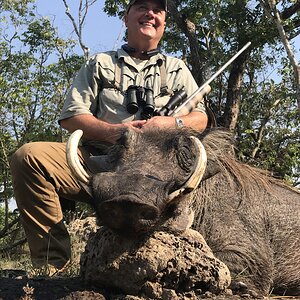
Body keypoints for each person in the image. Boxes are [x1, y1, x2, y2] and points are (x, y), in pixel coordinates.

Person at [10, 0, 208, 274]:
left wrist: (170, 122)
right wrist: (118, 133)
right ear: (126, 18)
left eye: (158, 10)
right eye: (141, 7)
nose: (150, 13)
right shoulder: (100, 62)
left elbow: (200, 118)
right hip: (101, 161)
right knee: (29, 157)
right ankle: (51, 265)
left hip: (156, 173)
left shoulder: (175, 68)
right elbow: (72, 116)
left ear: (164, 22)